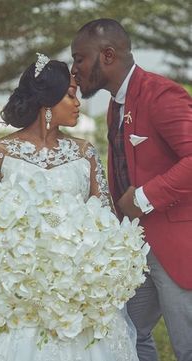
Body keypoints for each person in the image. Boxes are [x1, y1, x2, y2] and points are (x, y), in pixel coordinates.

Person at [0, 54, 139, 361]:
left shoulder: (85, 153)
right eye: (70, 95)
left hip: (74, 292)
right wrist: (11, 261)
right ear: (46, 102)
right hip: (12, 291)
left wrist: (92, 265)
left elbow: (107, 220)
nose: (77, 103)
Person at [71, 18, 192, 361]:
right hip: (134, 251)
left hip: (177, 249)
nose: (74, 69)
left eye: (80, 58)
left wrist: (142, 198)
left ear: (107, 55)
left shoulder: (161, 94)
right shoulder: (115, 105)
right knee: (124, 335)